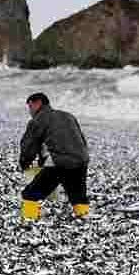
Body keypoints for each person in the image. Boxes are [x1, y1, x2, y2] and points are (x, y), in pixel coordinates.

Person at [19, 92, 89, 220]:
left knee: (29, 194)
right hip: (81, 160)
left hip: (59, 163)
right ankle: (83, 217)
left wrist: (24, 163)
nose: (30, 111)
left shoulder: (38, 120)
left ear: (38, 103)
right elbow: (81, 140)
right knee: (77, 195)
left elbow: (28, 146)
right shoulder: (68, 116)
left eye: (30, 106)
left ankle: (28, 220)